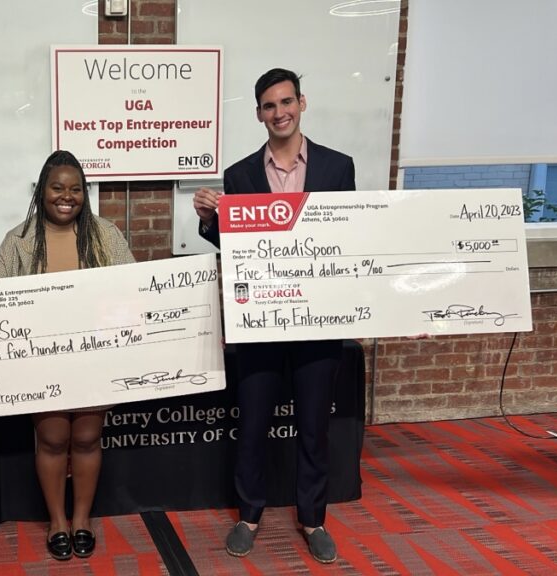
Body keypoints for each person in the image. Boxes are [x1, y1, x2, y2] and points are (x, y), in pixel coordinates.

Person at [193, 68, 355, 564]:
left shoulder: (337, 167)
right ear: (259, 113)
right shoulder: (239, 175)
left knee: (313, 428)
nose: (279, 112)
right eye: (269, 105)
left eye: (287, 102)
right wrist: (209, 222)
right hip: (259, 322)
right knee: (254, 424)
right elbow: (235, 246)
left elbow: (350, 238)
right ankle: (249, 515)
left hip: (318, 321)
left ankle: (313, 519)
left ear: (302, 104)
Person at [0, 150, 134, 561]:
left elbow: (130, 290)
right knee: (53, 438)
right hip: (43, 360)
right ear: (42, 191)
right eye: (57, 188)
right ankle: (57, 521)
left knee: (87, 436)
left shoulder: (106, 235)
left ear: (84, 194)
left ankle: (83, 519)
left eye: (75, 189)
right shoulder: (18, 240)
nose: (66, 196)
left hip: (95, 357)